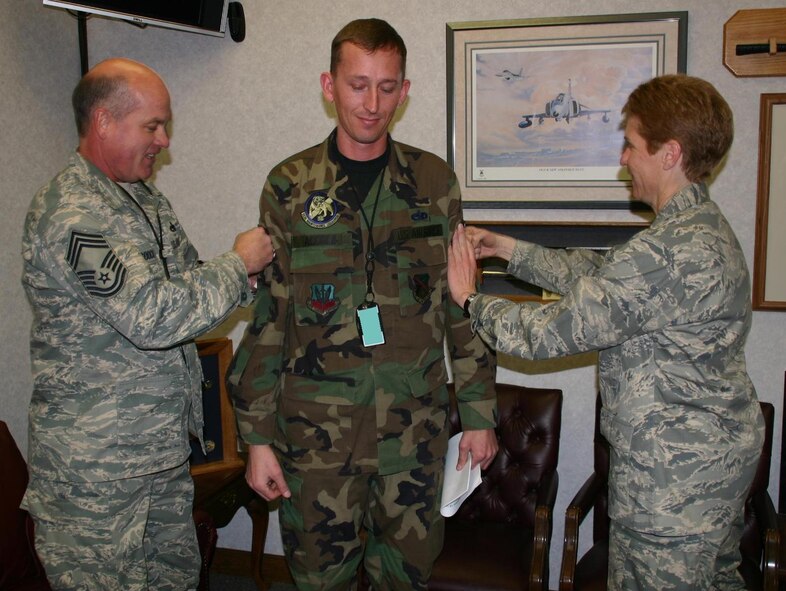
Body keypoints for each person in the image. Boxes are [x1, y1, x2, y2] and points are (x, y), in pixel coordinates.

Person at [448, 73, 763, 590]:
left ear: (669, 153)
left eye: (631, 144)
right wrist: (507, 249)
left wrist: (469, 298)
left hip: (673, 489)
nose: (623, 159)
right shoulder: (696, 230)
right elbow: (598, 278)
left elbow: (548, 334)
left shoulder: (669, 252)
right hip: (704, 472)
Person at [228, 18, 498, 591]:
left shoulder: (434, 182)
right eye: (357, 85)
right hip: (316, 442)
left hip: (413, 438)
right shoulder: (291, 186)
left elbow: (460, 306)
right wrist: (255, 438)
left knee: (407, 579)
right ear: (329, 86)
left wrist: (477, 413)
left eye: (387, 86)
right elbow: (268, 321)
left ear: (405, 89)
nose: (372, 104)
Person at [21, 57, 274, 590]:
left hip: (158, 454)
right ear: (104, 122)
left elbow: (180, 287)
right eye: (152, 126)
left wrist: (245, 279)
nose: (163, 140)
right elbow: (150, 317)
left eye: (166, 126)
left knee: (174, 581)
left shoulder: (144, 200)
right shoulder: (72, 215)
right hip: (97, 474)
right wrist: (236, 264)